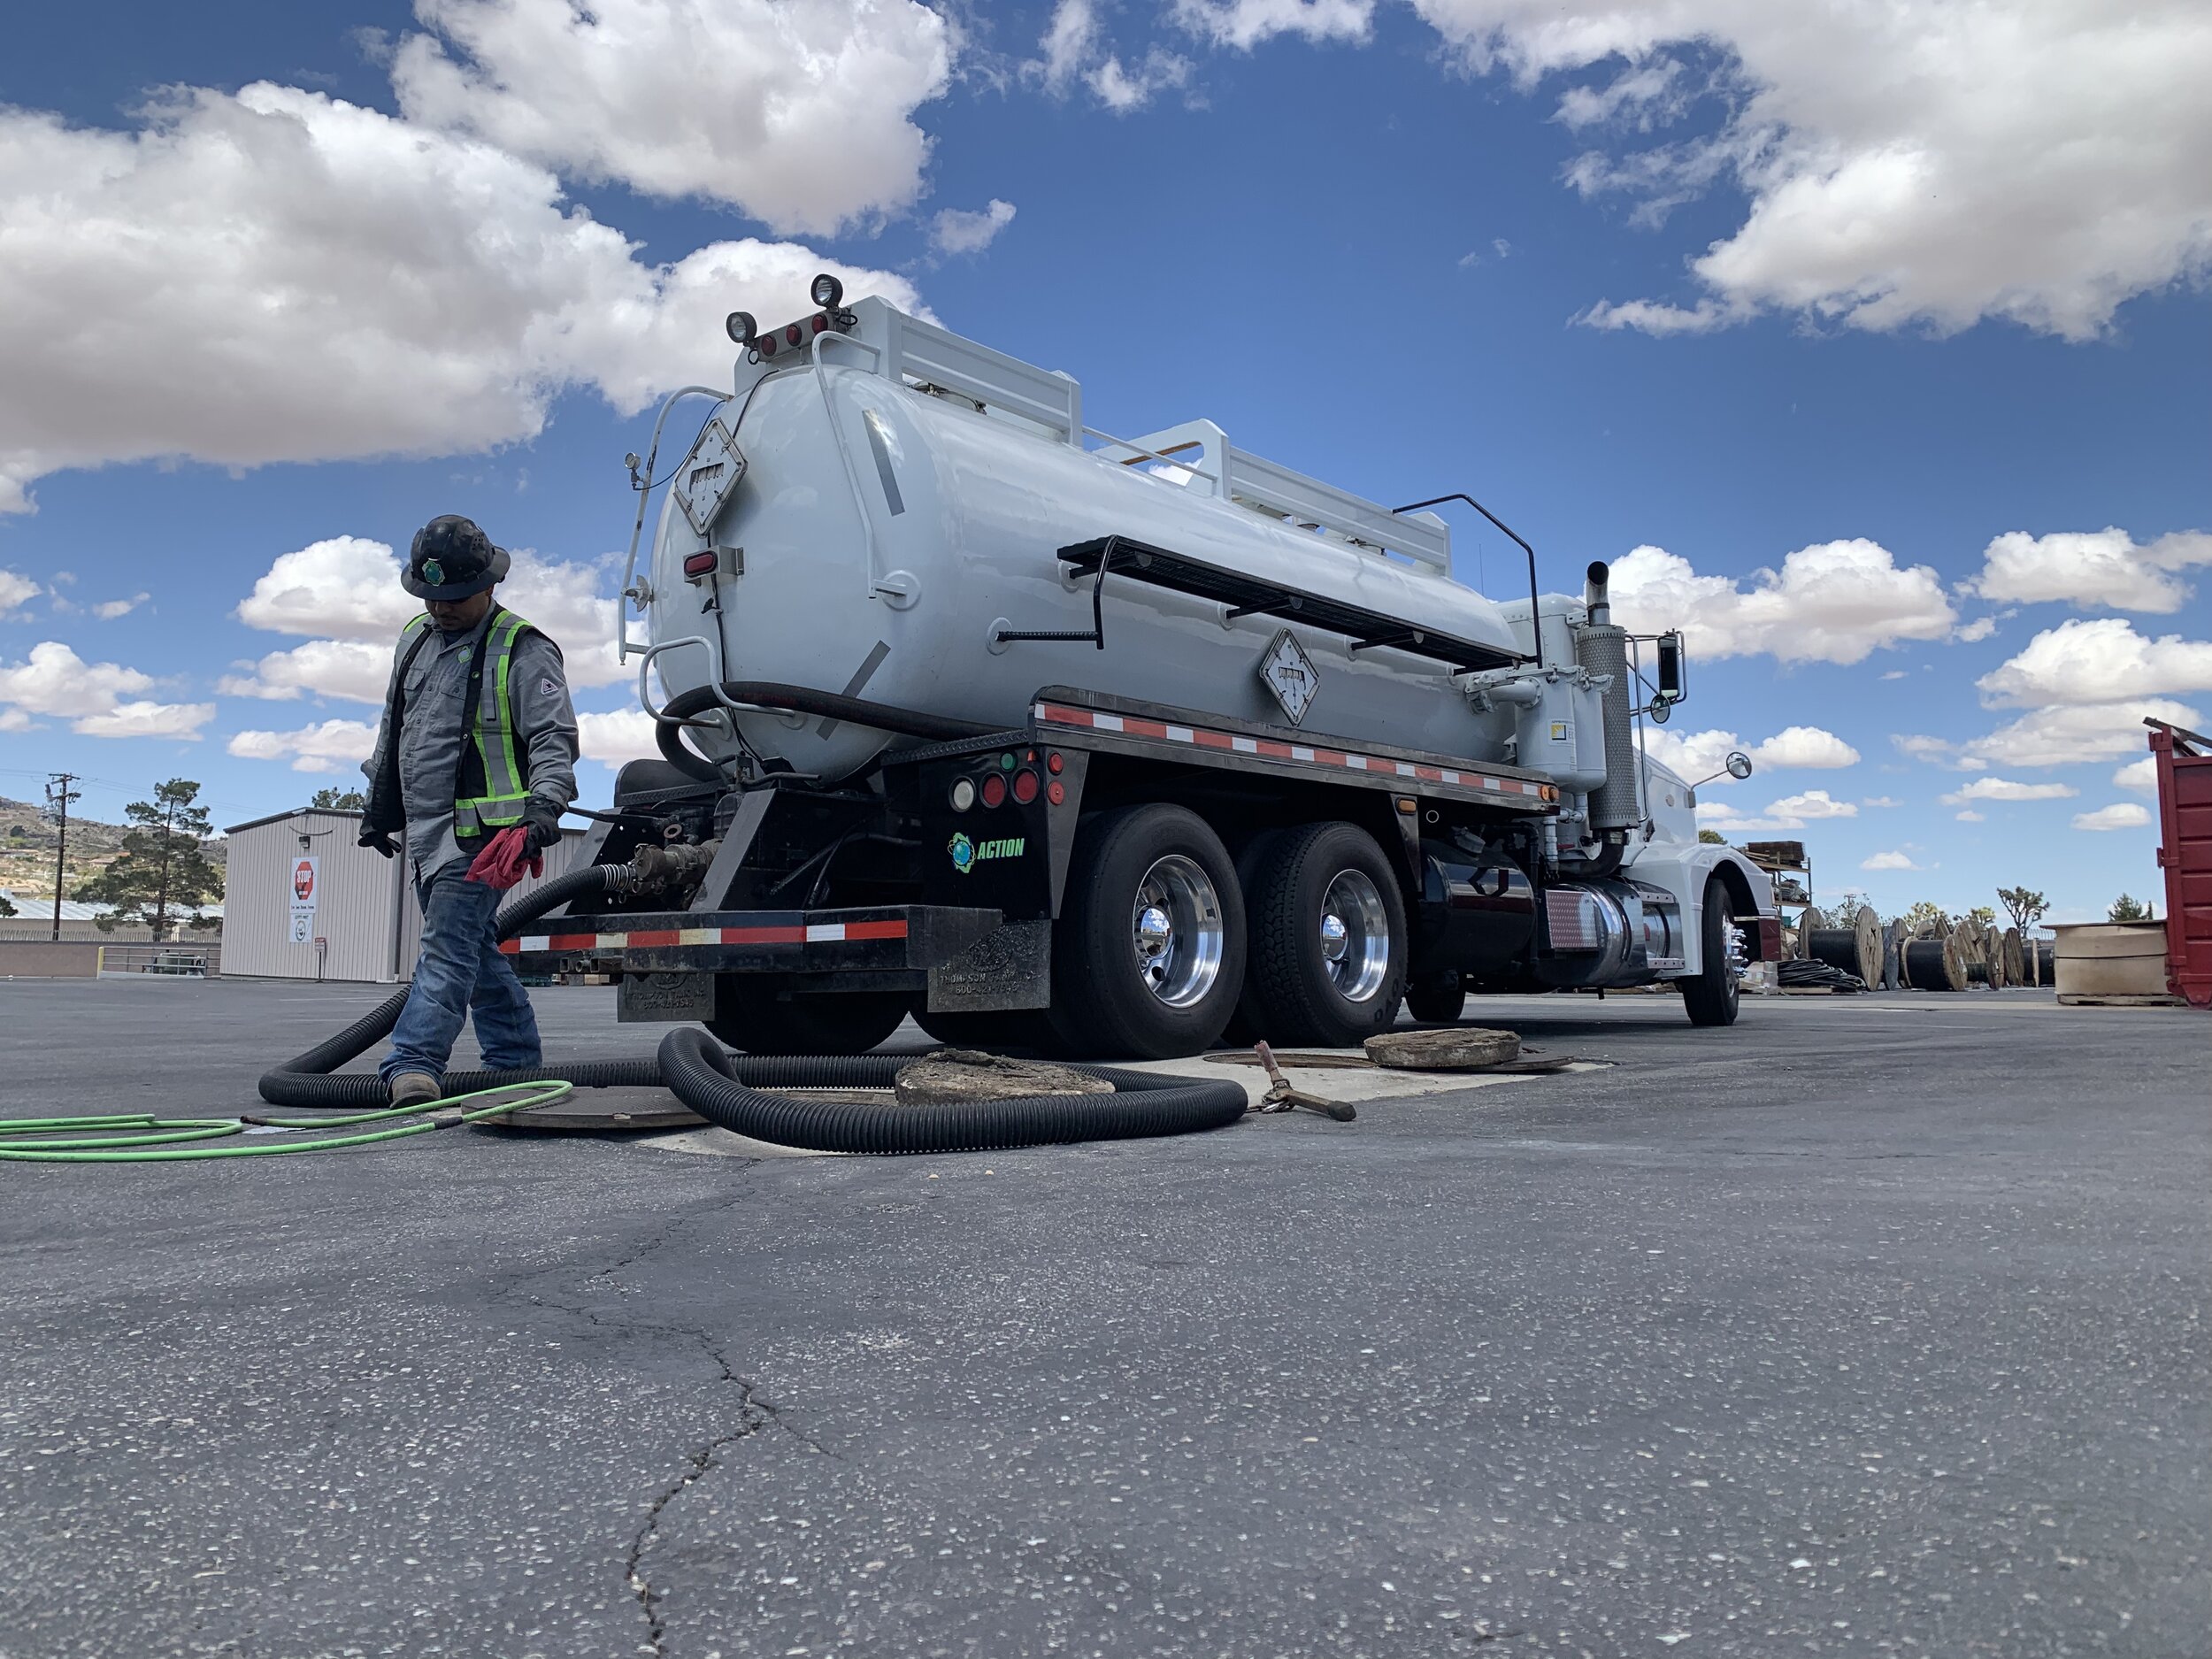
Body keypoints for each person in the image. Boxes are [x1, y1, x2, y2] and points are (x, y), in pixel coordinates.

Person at [358, 516, 579, 1107]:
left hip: (484, 838)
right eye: (431, 596)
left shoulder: (523, 648)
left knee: (447, 948)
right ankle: (516, 1061)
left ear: (489, 584)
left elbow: (553, 737)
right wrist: (378, 806)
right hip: (426, 834)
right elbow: (395, 727)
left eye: (455, 597)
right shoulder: (416, 638)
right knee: (474, 951)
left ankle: (414, 1063)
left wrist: (543, 808)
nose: (441, 607)